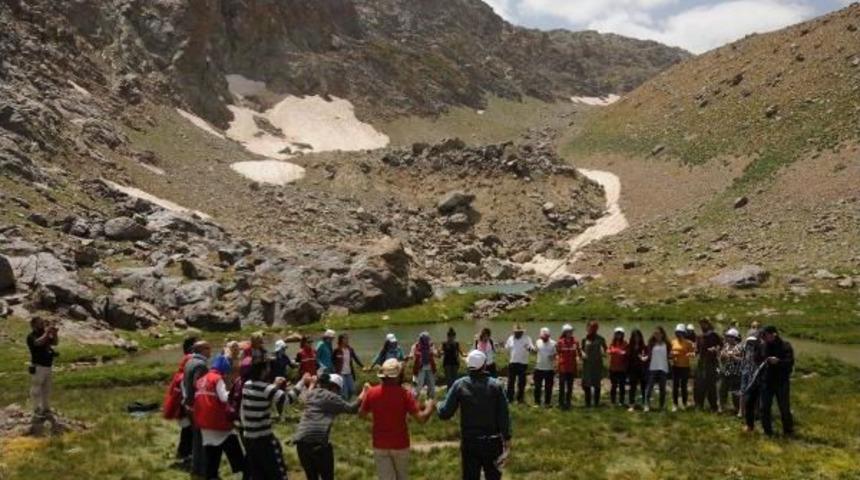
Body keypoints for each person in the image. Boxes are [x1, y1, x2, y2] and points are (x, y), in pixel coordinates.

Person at [437, 350, 512, 480]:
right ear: (484, 365)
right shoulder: (496, 385)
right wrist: (507, 437)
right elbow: (503, 415)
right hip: (492, 442)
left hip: (470, 442)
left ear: (468, 366)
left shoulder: (459, 384)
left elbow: (445, 413)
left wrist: (438, 405)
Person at [360, 359, 435, 480]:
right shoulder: (405, 394)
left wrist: (376, 419)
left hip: (380, 444)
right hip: (400, 444)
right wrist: (430, 407)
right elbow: (421, 419)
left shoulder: (372, 393)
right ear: (398, 375)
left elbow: (361, 414)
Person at [294, 374, 367, 480]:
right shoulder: (331, 397)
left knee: (311, 477)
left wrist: (312, 384)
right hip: (318, 443)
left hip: (301, 442)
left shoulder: (312, 393)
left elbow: (305, 396)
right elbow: (352, 408)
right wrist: (364, 391)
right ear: (335, 387)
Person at [241, 359, 299, 480]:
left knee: (258, 474)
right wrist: (303, 382)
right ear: (263, 370)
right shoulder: (266, 388)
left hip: (249, 439)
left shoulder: (247, 385)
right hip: (264, 440)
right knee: (277, 473)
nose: (269, 369)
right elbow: (287, 400)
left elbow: (262, 394)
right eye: (267, 367)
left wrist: (274, 385)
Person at [193, 354, 246, 480]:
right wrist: (236, 392)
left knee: (211, 452)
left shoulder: (201, 380)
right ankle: (245, 472)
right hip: (218, 422)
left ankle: (211, 476)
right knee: (234, 448)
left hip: (204, 422)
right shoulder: (217, 379)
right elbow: (224, 397)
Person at [163, 336, 197, 467]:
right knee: (188, 431)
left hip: (183, 406)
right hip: (185, 407)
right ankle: (186, 455)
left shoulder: (185, 363)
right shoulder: (188, 364)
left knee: (187, 430)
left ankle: (184, 453)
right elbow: (186, 391)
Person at [182, 341, 212, 478]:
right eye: (208, 348)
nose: (210, 350)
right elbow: (199, 386)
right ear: (202, 350)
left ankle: (196, 468)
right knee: (202, 438)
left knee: (196, 438)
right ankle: (203, 469)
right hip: (197, 406)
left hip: (189, 405)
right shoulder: (201, 365)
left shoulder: (189, 362)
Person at [759, 326, 794, 436]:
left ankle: (788, 431)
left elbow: (790, 362)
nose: (763, 337)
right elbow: (758, 359)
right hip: (767, 381)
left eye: (765, 335)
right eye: (762, 335)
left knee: (784, 408)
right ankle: (767, 431)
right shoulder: (763, 346)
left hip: (781, 382)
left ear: (773, 334)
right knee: (764, 407)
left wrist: (778, 362)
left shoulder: (785, 346)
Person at [27, 317, 58, 426]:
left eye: (42, 323)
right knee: (36, 389)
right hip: (38, 366)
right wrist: (47, 332)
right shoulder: (31, 336)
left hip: (48, 366)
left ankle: (46, 408)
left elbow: (55, 343)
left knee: (47, 389)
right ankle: (36, 409)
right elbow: (38, 343)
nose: (42, 325)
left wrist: (54, 333)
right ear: (34, 325)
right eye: (40, 323)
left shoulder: (44, 334)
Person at [694, 319, 723, 412]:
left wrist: (715, 348)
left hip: (712, 363)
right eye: (701, 325)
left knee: (711, 386)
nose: (702, 326)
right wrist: (693, 352)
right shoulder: (699, 336)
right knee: (700, 385)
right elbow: (697, 350)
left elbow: (721, 345)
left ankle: (713, 406)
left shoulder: (714, 335)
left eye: (704, 324)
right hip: (701, 363)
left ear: (708, 324)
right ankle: (699, 405)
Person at [503, 324, 534, 404]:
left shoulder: (527, 338)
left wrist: (528, 348)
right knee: (510, 382)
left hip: (523, 364)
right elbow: (506, 348)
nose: (517, 333)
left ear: (522, 332)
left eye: (519, 332)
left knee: (521, 383)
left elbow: (532, 350)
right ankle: (510, 398)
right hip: (512, 362)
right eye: (516, 332)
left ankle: (520, 399)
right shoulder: (510, 338)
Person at [580, 321, 607, 407]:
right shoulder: (584, 339)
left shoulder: (601, 339)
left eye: (595, 327)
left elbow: (606, 349)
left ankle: (596, 403)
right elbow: (581, 350)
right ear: (587, 328)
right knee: (586, 385)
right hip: (587, 365)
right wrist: (582, 353)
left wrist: (604, 353)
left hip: (597, 364)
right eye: (591, 327)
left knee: (597, 384)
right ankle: (587, 403)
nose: (593, 329)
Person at [670, 323, 695, 412]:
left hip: (685, 367)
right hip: (675, 367)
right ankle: (675, 404)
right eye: (677, 332)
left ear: (684, 333)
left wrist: (690, 354)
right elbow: (669, 354)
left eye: (680, 332)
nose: (679, 334)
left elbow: (693, 353)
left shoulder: (689, 343)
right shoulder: (672, 342)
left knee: (684, 386)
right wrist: (672, 354)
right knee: (675, 386)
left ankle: (684, 403)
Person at [644, 327, 670, 412]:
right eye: (655, 333)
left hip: (663, 368)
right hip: (653, 368)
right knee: (649, 387)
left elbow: (669, 354)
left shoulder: (667, 343)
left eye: (658, 333)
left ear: (662, 334)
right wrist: (645, 358)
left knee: (662, 388)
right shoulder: (651, 343)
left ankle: (661, 406)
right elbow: (648, 354)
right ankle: (647, 405)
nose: (656, 335)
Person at [740, 326, 762, 421]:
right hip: (746, 370)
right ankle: (741, 411)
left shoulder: (761, 347)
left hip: (755, 372)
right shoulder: (745, 346)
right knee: (743, 391)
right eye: (750, 340)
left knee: (755, 393)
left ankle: (756, 412)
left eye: (753, 341)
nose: (751, 343)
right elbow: (743, 357)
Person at [719, 328, 744, 415]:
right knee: (722, 390)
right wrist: (722, 356)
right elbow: (721, 358)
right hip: (725, 372)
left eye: (730, 337)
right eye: (727, 336)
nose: (728, 338)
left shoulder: (740, 347)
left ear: (735, 338)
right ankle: (722, 408)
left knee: (735, 393)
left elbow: (743, 360)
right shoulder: (725, 346)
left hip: (736, 373)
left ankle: (737, 409)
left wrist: (734, 357)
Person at [333, 334, 364, 400]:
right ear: (341, 340)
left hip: (349, 373)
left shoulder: (350, 349)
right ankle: (345, 403)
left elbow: (356, 358)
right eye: (345, 339)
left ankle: (348, 402)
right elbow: (332, 360)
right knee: (344, 391)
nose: (347, 340)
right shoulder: (337, 350)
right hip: (341, 373)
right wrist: (335, 371)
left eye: (347, 338)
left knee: (352, 389)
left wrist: (362, 366)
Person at [556, 324, 578, 410]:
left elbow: (577, 352)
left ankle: (568, 402)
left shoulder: (575, 342)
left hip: (571, 367)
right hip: (563, 367)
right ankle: (561, 403)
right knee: (562, 386)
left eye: (571, 331)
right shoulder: (560, 342)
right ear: (565, 332)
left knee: (570, 386)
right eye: (569, 331)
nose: (571, 333)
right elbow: (557, 353)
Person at [410, 332, 438, 399]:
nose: (426, 340)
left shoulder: (431, 345)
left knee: (432, 384)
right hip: (420, 367)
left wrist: (435, 352)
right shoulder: (416, 346)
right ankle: (414, 399)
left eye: (426, 339)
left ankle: (431, 399)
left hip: (430, 367)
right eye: (424, 339)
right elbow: (412, 354)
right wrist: (411, 356)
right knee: (419, 384)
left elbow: (435, 353)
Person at [533, 328, 556, 408]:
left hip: (549, 369)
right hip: (538, 367)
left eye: (545, 336)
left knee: (548, 387)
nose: (544, 338)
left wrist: (553, 356)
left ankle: (547, 403)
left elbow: (556, 354)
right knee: (537, 386)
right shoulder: (538, 342)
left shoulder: (553, 343)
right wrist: (530, 349)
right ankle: (537, 403)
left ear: (549, 336)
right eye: (542, 336)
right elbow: (535, 351)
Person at [626, 329, 648, 411]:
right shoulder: (629, 347)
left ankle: (645, 404)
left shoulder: (644, 347)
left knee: (643, 387)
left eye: (638, 336)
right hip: (632, 370)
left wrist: (644, 358)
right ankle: (631, 405)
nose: (637, 338)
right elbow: (628, 358)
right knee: (632, 388)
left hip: (642, 369)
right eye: (635, 337)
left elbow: (647, 357)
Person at [608, 327, 628, 407]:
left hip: (622, 369)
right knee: (614, 385)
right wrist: (614, 351)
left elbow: (627, 352)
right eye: (617, 333)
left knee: (622, 386)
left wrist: (622, 352)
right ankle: (613, 401)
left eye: (620, 333)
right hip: (613, 368)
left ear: (622, 335)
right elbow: (608, 351)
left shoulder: (625, 343)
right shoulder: (612, 343)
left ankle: (621, 401)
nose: (618, 335)